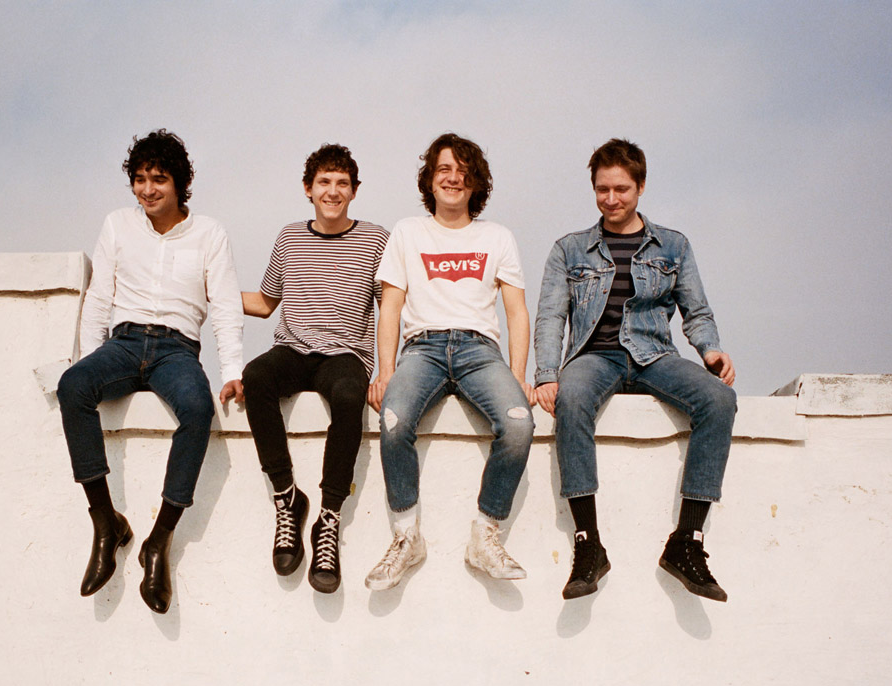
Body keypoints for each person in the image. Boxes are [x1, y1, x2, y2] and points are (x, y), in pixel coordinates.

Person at [533, 138, 737, 602]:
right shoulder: (569, 249)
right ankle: (588, 543)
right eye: (602, 189)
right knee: (571, 398)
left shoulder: (674, 245)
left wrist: (711, 351)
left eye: (621, 189)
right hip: (595, 356)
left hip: (653, 355)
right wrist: (547, 373)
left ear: (640, 187)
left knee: (719, 399)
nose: (611, 199)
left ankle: (687, 540)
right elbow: (551, 316)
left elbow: (696, 311)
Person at [56, 129, 244, 613]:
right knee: (73, 385)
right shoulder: (118, 225)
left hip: (177, 350)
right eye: (139, 180)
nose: (147, 189)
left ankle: (159, 539)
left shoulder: (209, 233)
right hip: (122, 344)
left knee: (198, 410)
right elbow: (99, 297)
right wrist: (91, 359)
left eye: (158, 179)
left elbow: (225, 306)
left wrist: (232, 369)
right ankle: (105, 522)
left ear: (179, 183)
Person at [365, 133, 536, 591]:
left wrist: (518, 375)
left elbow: (517, 311)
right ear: (430, 179)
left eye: (463, 171)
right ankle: (406, 536)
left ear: (476, 182)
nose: (453, 178)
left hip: (480, 351)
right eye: (444, 169)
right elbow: (391, 306)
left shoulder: (497, 237)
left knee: (518, 423)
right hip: (422, 348)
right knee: (394, 419)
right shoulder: (407, 232)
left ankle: (485, 534)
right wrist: (386, 371)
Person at [241, 144, 388, 593]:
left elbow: (391, 308)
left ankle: (329, 517)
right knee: (256, 377)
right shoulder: (289, 237)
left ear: (355, 191)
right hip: (293, 349)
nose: (333, 191)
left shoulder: (376, 239)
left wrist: (387, 372)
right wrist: (206, 289)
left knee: (347, 397)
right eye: (324, 182)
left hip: (345, 355)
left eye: (342, 183)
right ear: (308, 188)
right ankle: (287, 497)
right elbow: (265, 303)